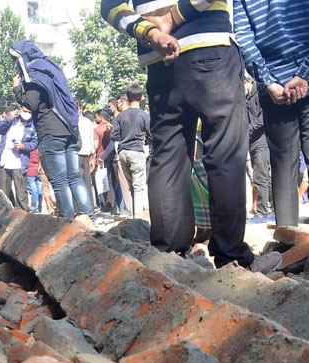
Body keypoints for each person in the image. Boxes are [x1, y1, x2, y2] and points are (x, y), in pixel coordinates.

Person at [101, 0, 281, 273]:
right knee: (226, 154)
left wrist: (152, 33)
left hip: (160, 60)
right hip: (210, 50)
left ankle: (169, 258)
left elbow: (110, 6)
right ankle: (231, 257)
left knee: (168, 157)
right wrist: (174, 16)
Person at [234, 0, 309, 228]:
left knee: (283, 167)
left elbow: (244, 38)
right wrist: (304, 73)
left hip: (275, 90)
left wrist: (269, 82)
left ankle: (290, 246)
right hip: (302, 78)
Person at [10, 40, 94, 222]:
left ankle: (68, 223)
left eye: (15, 59)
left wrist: (17, 88)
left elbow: (31, 103)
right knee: (74, 177)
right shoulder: (52, 69)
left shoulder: (34, 75)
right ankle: (89, 218)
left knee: (59, 181)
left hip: (50, 131)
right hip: (70, 130)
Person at [110, 84, 151, 218]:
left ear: (127, 98)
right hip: (137, 152)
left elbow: (113, 136)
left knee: (130, 186)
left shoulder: (120, 117)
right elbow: (151, 136)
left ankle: (132, 214)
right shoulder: (144, 115)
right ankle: (138, 219)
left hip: (123, 153)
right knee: (139, 186)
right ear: (142, 97)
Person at [0, 105, 38, 211]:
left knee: (21, 194)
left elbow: (34, 143)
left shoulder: (32, 125)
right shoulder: (11, 119)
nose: (27, 114)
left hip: (20, 162)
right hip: (4, 161)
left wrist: (23, 146)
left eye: (29, 112)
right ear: (20, 109)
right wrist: (7, 119)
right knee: (4, 193)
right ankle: (4, 216)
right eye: (25, 111)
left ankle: (23, 216)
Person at [243, 74, 272, 219]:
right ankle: (267, 208)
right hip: (251, 142)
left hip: (261, 141)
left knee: (261, 177)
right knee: (259, 177)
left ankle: (262, 213)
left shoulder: (259, 94)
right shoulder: (245, 98)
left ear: (247, 81)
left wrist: (245, 131)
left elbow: (261, 120)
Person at [77, 101, 96, 207]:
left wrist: (92, 156)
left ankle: (81, 208)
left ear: (80, 108)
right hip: (85, 154)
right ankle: (90, 208)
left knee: (78, 181)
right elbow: (91, 139)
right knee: (86, 181)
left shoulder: (71, 121)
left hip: (78, 154)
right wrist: (92, 156)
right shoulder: (87, 121)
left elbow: (91, 139)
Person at [27, 149, 43, 213]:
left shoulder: (28, 147)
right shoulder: (38, 147)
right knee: (39, 192)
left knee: (34, 192)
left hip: (30, 171)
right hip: (37, 170)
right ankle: (39, 209)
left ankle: (35, 210)